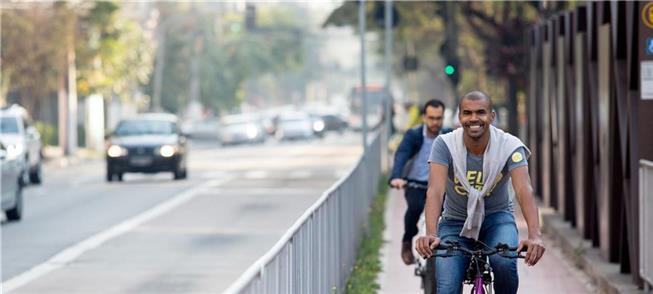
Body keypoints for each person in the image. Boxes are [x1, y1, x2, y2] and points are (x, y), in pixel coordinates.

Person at [415, 91, 546, 294]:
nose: (474, 118)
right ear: (459, 117)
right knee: (447, 287)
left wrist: (535, 235)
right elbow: (435, 191)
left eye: (481, 112)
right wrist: (431, 233)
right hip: (454, 222)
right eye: (467, 113)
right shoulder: (445, 145)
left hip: (497, 219)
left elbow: (524, 190)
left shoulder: (510, 146)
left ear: (492, 116)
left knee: (503, 263)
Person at [389, 99, 452, 265]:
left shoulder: (449, 136)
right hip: (416, 184)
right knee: (415, 208)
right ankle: (407, 241)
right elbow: (401, 154)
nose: (435, 122)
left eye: (439, 118)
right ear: (424, 117)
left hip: (440, 186)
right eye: (431, 118)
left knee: (446, 215)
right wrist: (396, 176)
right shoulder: (414, 135)